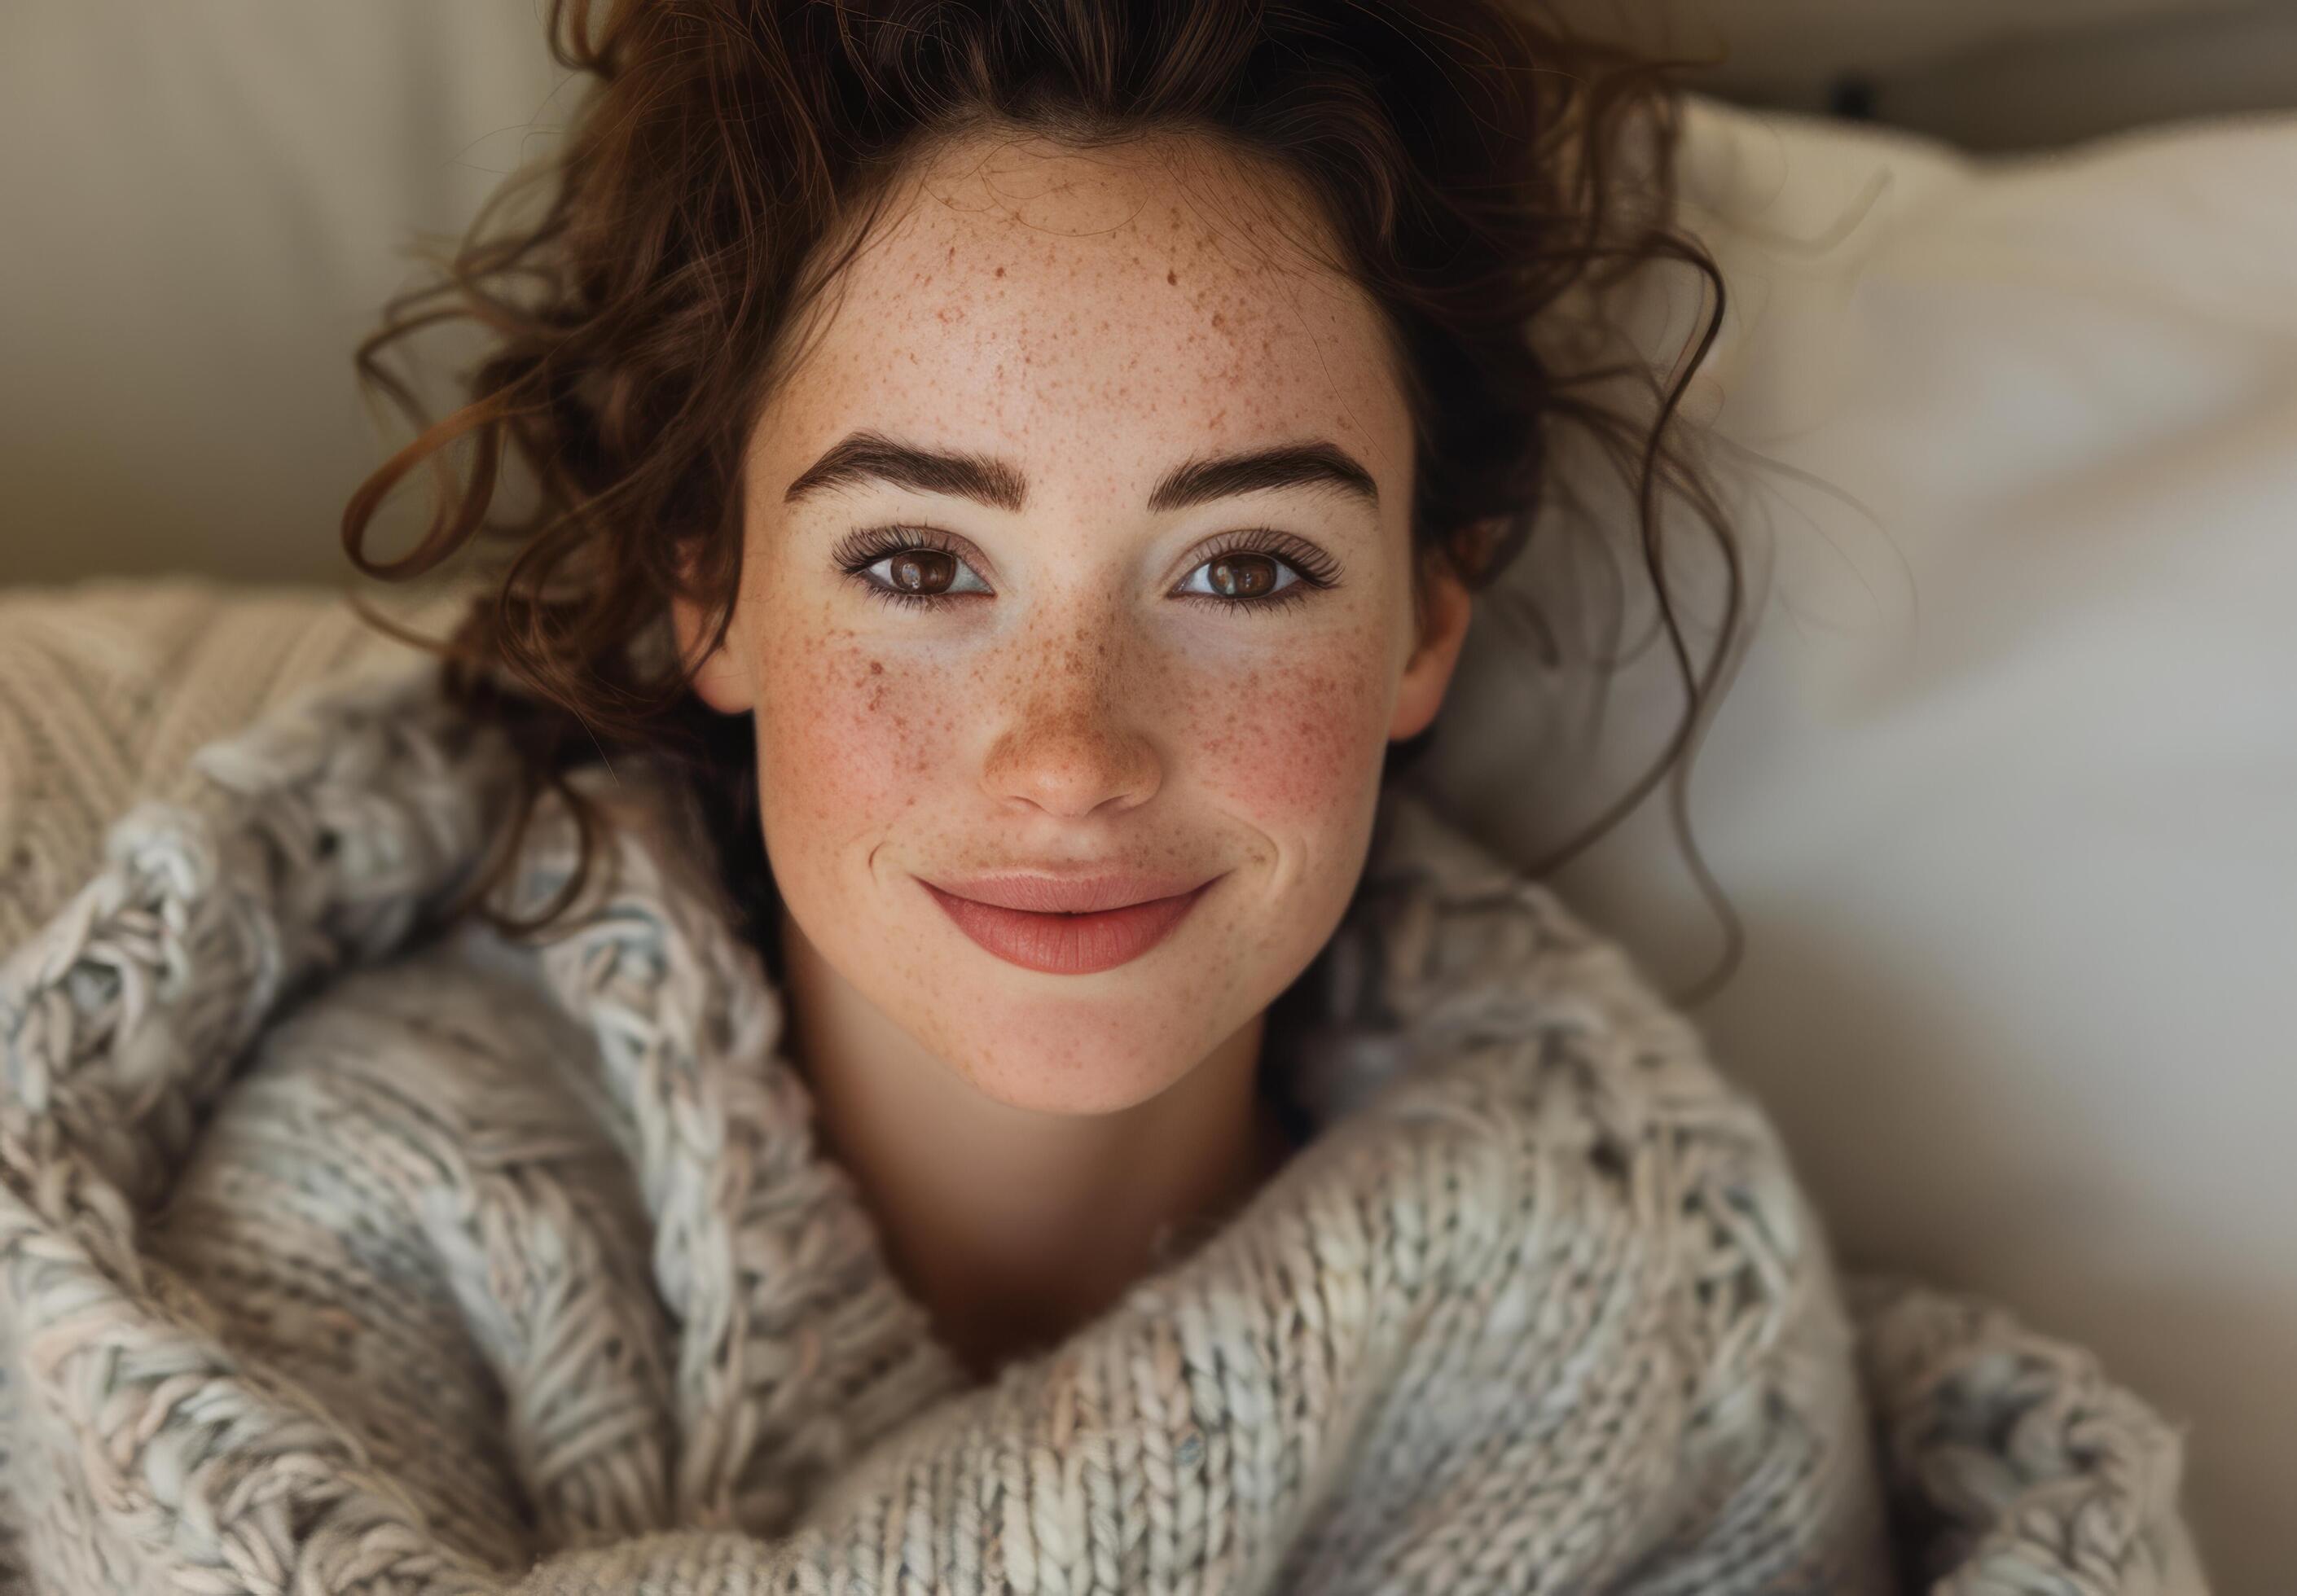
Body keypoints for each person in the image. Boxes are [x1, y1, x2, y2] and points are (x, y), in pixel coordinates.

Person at [0, 2, 2201, 1592]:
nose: (1067, 752)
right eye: (917, 565)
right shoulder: (358, 1209)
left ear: (1425, 625)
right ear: (713, 595)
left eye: (1243, 569)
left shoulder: (1658, 1363)